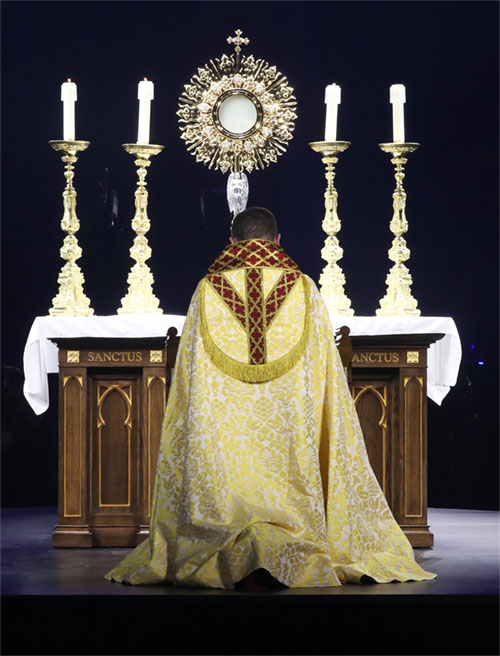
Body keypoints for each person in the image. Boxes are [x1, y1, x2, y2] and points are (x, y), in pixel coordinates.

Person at [105, 207, 436, 589]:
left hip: (222, 458)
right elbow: (324, 374)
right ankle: (292, 544)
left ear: (232, 242)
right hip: (291, 438)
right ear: (278, 241)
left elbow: (189, 384)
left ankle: (223, 541)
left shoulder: (207, 290)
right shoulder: (305, 289)